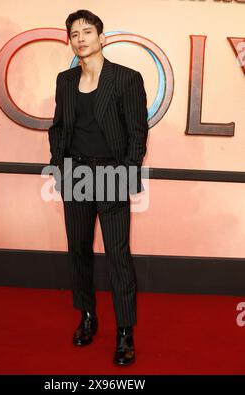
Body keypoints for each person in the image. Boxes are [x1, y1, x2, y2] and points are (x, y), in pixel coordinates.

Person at [48, 9, 148, 366]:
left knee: (118, 255)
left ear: (101, 37)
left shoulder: (126, 79)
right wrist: (60, 168)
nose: (81, 38)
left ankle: (125, 332)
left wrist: (127, 174)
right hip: (75, 173)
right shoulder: (64, 80)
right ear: (70, 41)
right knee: (78, 250)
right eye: (74, 33)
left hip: (111, 173)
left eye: (87, 31)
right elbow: (58, 127)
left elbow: (138, 134)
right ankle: (87, 317)